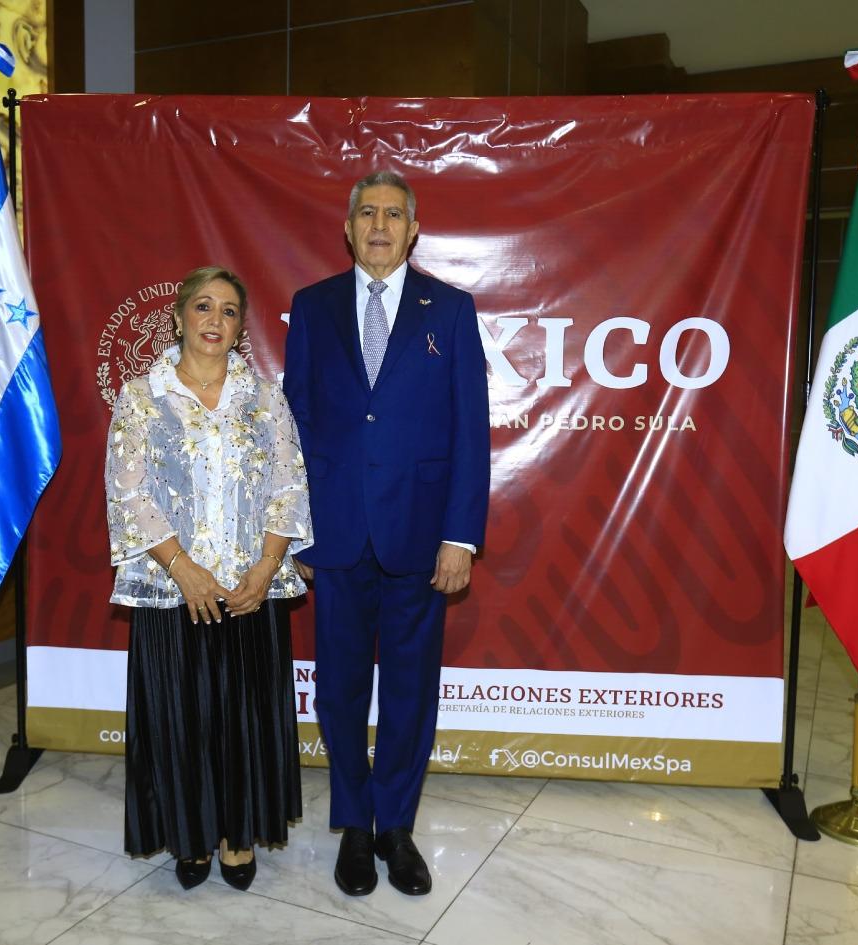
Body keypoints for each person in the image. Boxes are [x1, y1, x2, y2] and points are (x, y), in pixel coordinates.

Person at [283, 171, 490, 896]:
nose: (379, 224)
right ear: (348, 228)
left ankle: (396, 825)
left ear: (413, 229)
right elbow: (294, 427)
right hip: (334, 538)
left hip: (419, 535)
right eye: (366, 212)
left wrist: (461, 536)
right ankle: (354, 824)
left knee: (409, 689)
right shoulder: (312, 308)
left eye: (392, 214)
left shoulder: (453, 311)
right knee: (338, 690)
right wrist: (293, 533)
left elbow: (470, 430)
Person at [105, 265, 312, 892]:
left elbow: (289, 483)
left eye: (227, 310)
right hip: (174, 591)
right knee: (181, 718)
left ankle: (237, 834)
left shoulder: (266, 397)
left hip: (253, 589)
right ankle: (188, 835)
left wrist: (268, 565)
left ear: (240, 324)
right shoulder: (141, 397)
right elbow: (129, 492)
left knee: (244, 717)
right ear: (178, 317)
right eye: (202, 307)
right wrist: (183, 568)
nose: (214, 321)